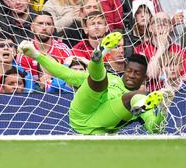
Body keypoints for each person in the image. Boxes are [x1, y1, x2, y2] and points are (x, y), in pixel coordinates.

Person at [18, 32, 167, 135]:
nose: (132, 76)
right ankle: (98, 56)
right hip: (82, 113)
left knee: (135, 97)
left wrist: (163, 110)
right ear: (125, 70)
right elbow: (65, 73)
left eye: (137, 73)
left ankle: (135, 109)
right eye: (129, 71)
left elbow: (155, 129)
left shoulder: (144, 98)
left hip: (102, 121)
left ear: (144, 78)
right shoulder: (112, 78)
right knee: (101, 80)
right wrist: (35, 54)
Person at [134, 12, 186, 91]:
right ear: (150, 28)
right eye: (156, 21)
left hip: (175, 94)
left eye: (166, 22)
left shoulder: (179, 50)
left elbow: (183, 77)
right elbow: (149, 74)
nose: (161, 23)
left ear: (171, 28)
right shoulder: (140, 49)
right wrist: (161, 47)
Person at [17, 11, 71, 79]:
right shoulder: (25, 52)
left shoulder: (63, 49)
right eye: (40, 24)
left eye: (48, 24)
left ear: (53, 29)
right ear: (32, 27)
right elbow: (24, 83)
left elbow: (69, 76)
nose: (44, 28)